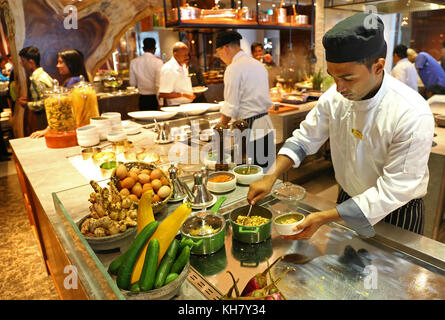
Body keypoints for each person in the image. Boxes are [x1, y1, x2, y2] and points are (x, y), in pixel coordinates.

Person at [247, 12, 435, 239]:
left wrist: (323, 217)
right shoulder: (334, 97)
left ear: (378, 66)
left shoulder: (411, 112)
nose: (339, 88)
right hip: (347, 198)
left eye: (348, 78)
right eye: (333, 77)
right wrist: (272, 175)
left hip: (397, 211)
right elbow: (304, 138)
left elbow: (394, 189)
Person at [216, 31, 275, 169]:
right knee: (265, 175)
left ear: (225, 48)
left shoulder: (233, 69)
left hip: (247, 129)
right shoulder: (258, 65)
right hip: (266, 125)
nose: (220, 57)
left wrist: (219, 128)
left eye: (219, 53)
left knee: (247, 177)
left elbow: (231, 107)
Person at [30, 49, 99, 138]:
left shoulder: (74, 82)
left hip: (80, 131)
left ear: (71, 64)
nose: (57, 65)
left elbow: (67, 112)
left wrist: (48, 130)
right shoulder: (77, 79)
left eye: (61, 62)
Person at [17, 46, 53, 136]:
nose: (21, 64)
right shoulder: (42, 75)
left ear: (31, 62)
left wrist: (27, 104)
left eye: (23, 61)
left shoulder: (38, 79)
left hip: (45, 118)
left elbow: (46, 102)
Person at [129, 38, 163, 110]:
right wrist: (161, 103)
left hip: (142, 99)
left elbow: (132, 83)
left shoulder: (134, 62)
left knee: (144, 120)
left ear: (143, 48)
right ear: (155, 49)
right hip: (155, 99)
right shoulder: (158, 62)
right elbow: (158, 85)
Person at [158, 42, 195, 106]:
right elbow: (163, 93)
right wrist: (183, 94)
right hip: (175, 106)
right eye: (185, 55)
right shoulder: (168, 68)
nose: (187, 57)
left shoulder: (183, 66)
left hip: (187, 105)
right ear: (175, 54)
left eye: (187, 54)